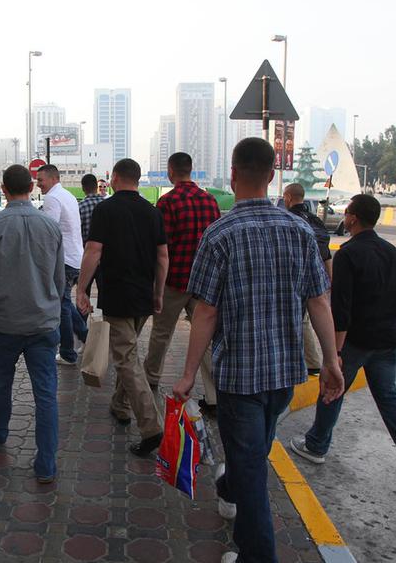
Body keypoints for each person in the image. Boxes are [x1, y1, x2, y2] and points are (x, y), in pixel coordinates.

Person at [172, 138, 344, 563]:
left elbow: (206, 313)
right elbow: (320, 302)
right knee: (253, 453)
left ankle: (257, 555)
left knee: (250, 466)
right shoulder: (300, 231)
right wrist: (331, 363)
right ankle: (229, 489)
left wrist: (189, 373)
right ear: (271, 176)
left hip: (240, 379)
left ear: (232, 176)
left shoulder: (218, 234)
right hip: (285, 375)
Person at [290, 194, 396, 496]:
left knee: (331, 388)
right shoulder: (392, 252)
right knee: (389, 398)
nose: (345, 218)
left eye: (347, 213)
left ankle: (316, 444)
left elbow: (342, 309)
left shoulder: (348, 254)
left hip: (358, 341)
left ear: (352, 218)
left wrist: (334, 353)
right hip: (390, 339)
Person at [0, 164, 64, 484]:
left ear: (5, 190)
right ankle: (46, 464)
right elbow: (59, 281)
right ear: (32, 188)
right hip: (43, 326)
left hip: (5, 325)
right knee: (46, 394)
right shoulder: (50, 227)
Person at [77, 158, 168, 457]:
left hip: (117, 295)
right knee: (127, 353)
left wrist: (81, 289)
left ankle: (152, 427)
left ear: (115, 177)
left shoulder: (106, 209)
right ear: (138, 179)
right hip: (143, 296)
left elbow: (93, 250)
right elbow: (162, 257)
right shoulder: (152, 212)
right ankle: (120, 406)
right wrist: (158, 293)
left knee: (126, 359)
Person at [143, 152, 220, 416]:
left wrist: (156, 283)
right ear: (191, 170)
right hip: (204, 284)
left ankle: (151, 379)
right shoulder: (210, 201)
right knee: (206, 338)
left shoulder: (168, 202)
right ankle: (213, 397)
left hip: (175, 279)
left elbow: (162, 248)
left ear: (171, 172)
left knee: (161, 334)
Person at [37, 164, 88, 365]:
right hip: (76, 258)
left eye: (41, 180)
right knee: (64, 302)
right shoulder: (66, 195)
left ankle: (68, 353)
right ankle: (85, 336)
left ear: (53, 178)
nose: (38, 184)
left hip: (64, 260)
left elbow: (49, 232)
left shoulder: (52, 198)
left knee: (62, 307)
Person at [283, 183, 333, 375]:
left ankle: (311, 362)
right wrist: (329, 280)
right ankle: (311, 361)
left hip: (296, 277)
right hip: (317, 276)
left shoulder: (290, 220)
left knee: (299, 320)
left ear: (287, 197)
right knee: (307, 317)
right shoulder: (315, 220)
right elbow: (326, 254)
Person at [77, 174, 104, 243]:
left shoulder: (80, 206)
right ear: (96, 186)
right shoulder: (107, 203)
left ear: (83, 188)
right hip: (107, 249)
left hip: (87, 248)